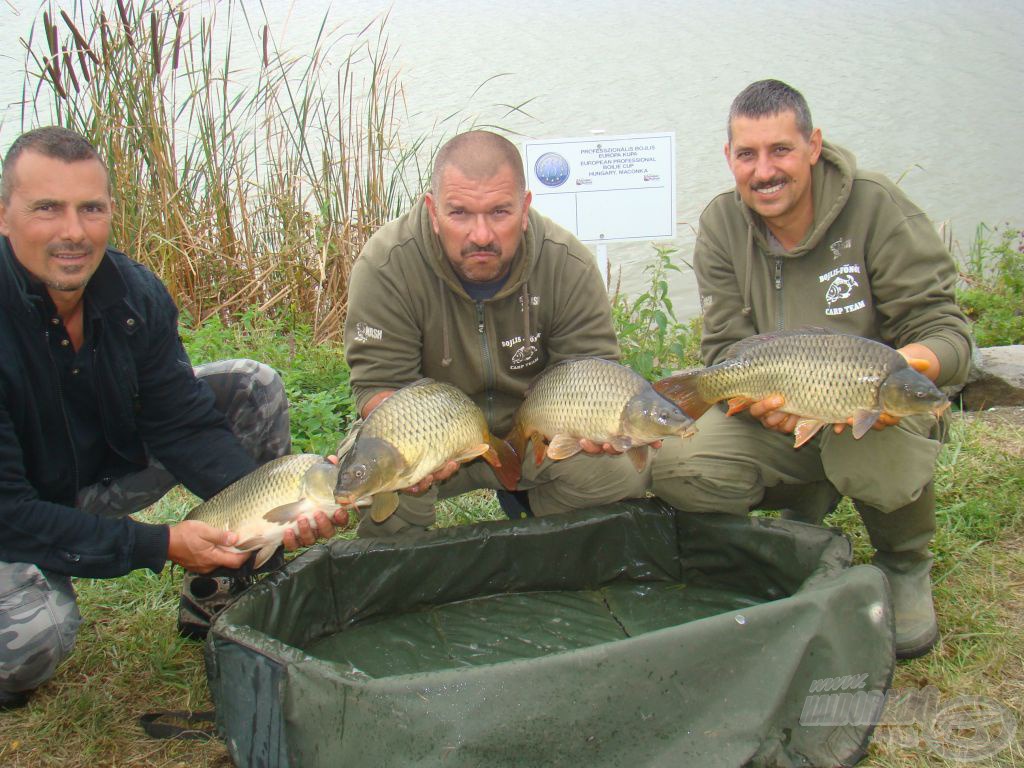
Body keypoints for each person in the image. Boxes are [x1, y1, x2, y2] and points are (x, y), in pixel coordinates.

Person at [0, 127, 346, 709]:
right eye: (46, 209)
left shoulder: (132, 294)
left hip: (95, 480)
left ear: (112, 212)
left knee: (251, 388)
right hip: (13, 512)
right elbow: (9, 514)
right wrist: (159, 543)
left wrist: (278, 515)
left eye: (91, 208)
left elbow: (183, 424)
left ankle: (220, 580)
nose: (73, 232)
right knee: (33, 642)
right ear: (4, 216)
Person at [650, 80, 972, 659]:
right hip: (782, 400)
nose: (764, 171)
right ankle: (807, 499)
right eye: (747, 155)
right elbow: (723, 348)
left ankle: (904, 562)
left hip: (873, 405)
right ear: (729, 158)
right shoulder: (722, 225)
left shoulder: (876, 207)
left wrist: (909, 365)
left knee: (878, 438)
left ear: (814, 145)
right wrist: (756, 401)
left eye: (781, 150)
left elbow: (947, 330)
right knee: (676, 462)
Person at [343, 130, 649, 536]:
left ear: (525, 208)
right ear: (433, 211)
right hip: (437, 442)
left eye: (500, 212)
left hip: (531, 437)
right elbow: (378, 385)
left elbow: (591, 372)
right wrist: (413, 449)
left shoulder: (566, 263)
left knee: (620, 471)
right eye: (460, 214)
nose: (482, 235)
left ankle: (540, 529)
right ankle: (409, 570)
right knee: (372, 474)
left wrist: (594, 428)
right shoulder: (386, 264)